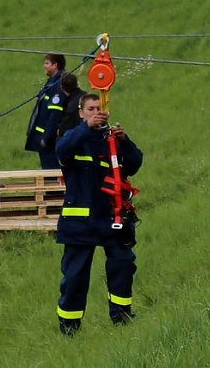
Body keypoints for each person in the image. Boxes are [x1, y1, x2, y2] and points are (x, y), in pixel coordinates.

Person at [54, 94, 143, 336]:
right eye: (91, 109)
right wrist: (86, 129)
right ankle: (69, 329)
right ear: (81, 112)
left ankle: (122, 319)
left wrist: (124, 141)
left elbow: (134, 164)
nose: (96, 112)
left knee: (123, 265)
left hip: (111, 219)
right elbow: (61, 151)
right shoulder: (73, 138)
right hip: (79, 223)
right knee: (74, 277)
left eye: (100, 108)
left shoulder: (111, 141)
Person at [25, 53, 66, 169]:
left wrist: (46, 138)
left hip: (50, 141)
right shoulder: (51, 82)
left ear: (55, 65)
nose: (44, 66)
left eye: (47, 63)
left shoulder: (59, 85)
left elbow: (55, 114)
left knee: (51, 174)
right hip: (43, 139)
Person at [56, 72, 86, 138]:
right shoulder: (85, 96)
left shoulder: (71, 105)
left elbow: (64, 127)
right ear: (77, 84)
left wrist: (60, 130)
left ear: (62, 87)